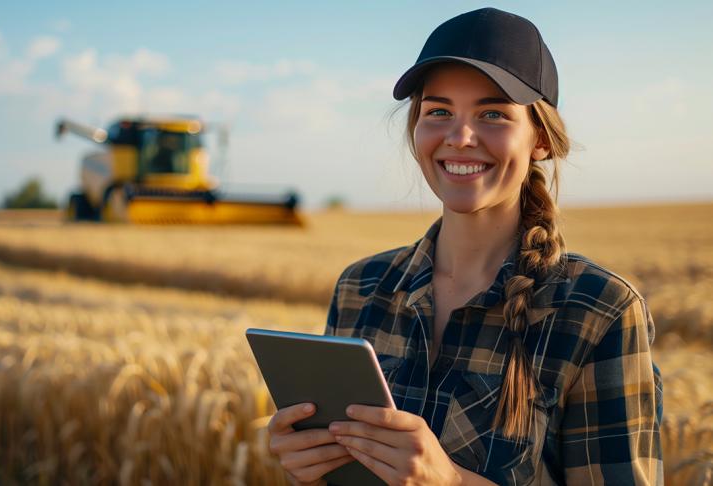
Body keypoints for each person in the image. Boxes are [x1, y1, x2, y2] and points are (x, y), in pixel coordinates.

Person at [267, 7, 663, 486]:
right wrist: (307, 467)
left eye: (492, 114)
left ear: (539, 138)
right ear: (416, 128)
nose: (459, 137)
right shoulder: (361, 288)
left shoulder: (599, 310)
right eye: (438, 112)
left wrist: (451, 482)